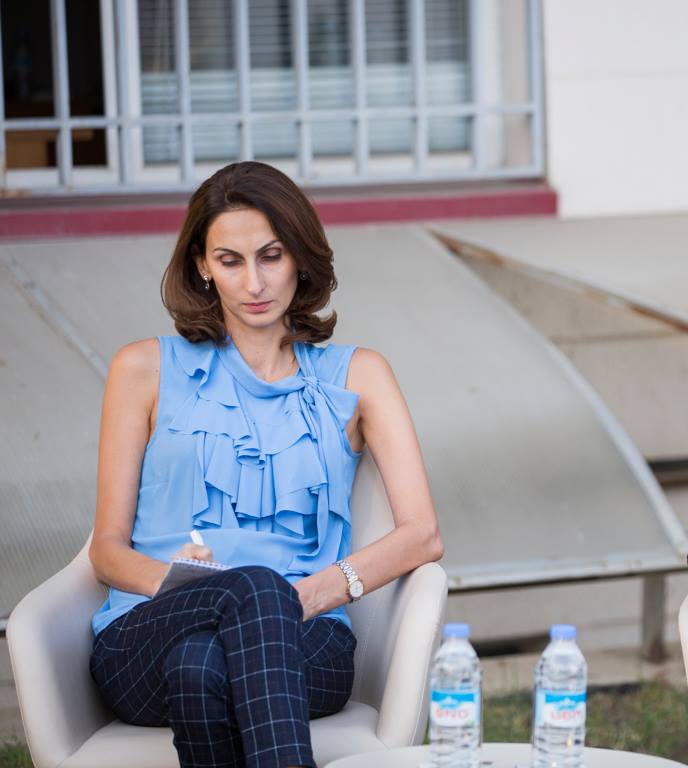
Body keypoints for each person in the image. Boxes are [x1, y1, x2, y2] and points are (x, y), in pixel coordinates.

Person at [88, 161, 444, 768]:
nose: (254, 283)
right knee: (239, 600)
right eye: (230, 261)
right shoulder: (142, 369)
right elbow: (106, 550)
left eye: (271, 256)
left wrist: (303, 597)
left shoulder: (360, 375)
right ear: (202, 265)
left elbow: (423, 534)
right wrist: (193, 586)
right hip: (147, 632)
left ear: (300, 257)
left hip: (307, 637)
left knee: (201, 665)